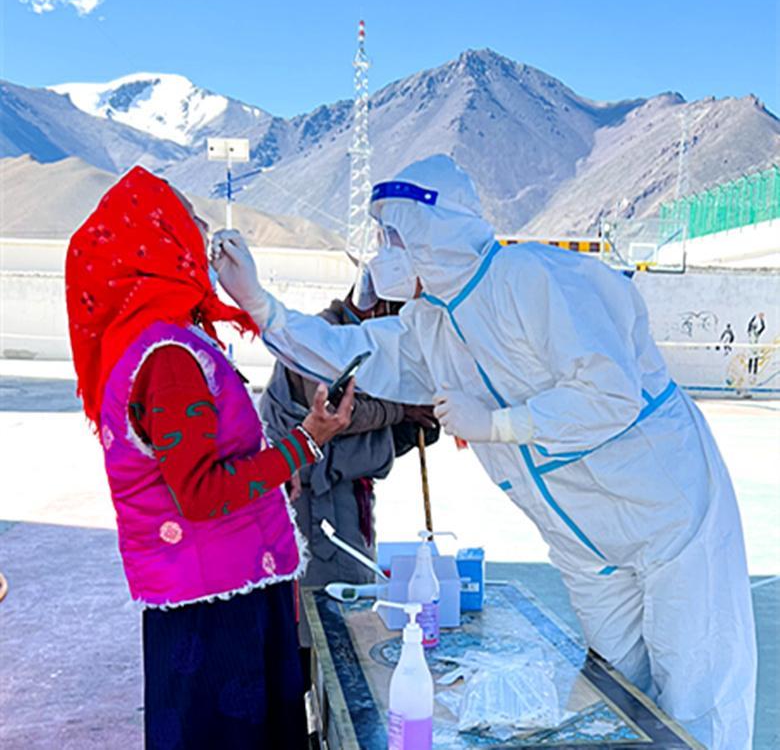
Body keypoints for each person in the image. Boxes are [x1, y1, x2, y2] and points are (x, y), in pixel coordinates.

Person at [213, 154, 756, 750]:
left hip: (665, 511)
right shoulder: (430, 326)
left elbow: (611, 393)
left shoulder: (535, 278)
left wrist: (499, 423)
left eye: (393, 235)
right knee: (615, 696)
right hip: (582, 538)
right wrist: (264, 308)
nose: (384, 251)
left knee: (696, 696)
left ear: (435, 232)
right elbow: (354, 353)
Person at [65, 166, 354, 750]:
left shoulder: (157, 339)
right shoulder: (169, 357)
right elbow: (201, 495)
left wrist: (272, 480)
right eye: (186, 219)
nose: (203, 231)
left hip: (214, 586)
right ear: (158, 241)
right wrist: (306, 442)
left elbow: (205, 466)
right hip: (218, 609)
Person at [258, 280, 438, 663]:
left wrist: (409, 424)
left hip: (348, 500)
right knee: (324, 621)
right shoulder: (325, 336)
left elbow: (368, 437)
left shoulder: (366, 342)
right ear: (380, 309)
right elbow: (338, 413)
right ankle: (313, 707)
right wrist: (403, 410)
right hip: (312, 502)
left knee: (349, 609)